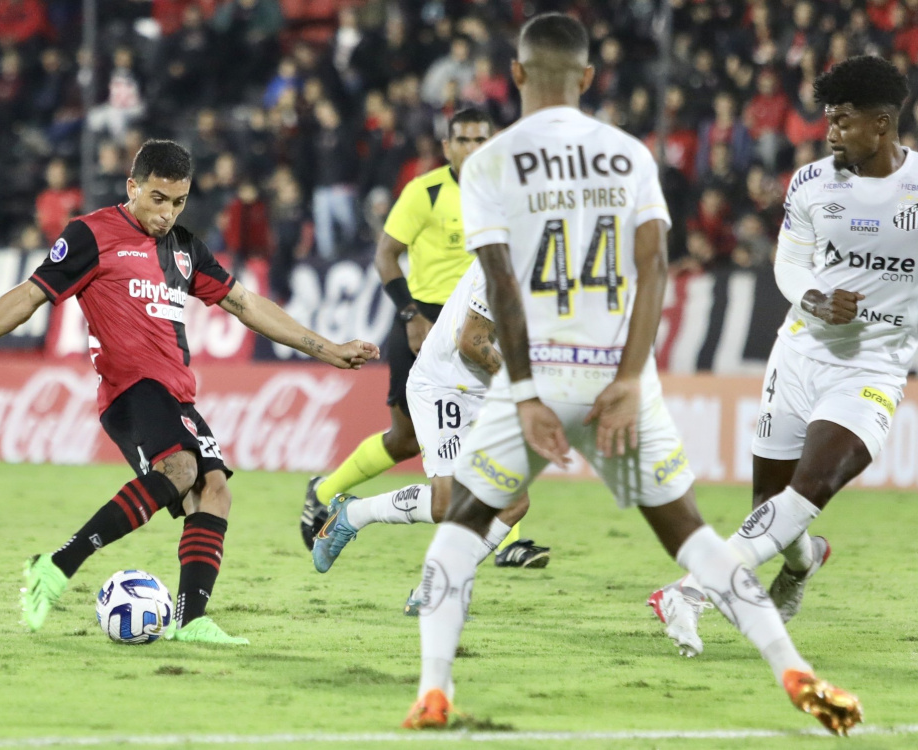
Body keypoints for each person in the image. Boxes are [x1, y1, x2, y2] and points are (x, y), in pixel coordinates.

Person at [401, 14, 861, 736]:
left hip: (542, 373)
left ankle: (433, 692)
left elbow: (501, 291)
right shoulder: (628, 156)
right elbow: (653, 271)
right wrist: (627, 378)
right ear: (588, 78)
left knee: (459, 533)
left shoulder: (490, 165)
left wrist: (526, 394)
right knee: (693, 537)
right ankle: (793, 669)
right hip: (617, 374)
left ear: (517, 75)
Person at [0, 140, 379, 644]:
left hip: (177, 394)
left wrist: (328, 350)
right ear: (132, 187)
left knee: (215, 491)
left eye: (178, 202)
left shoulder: (185, 249)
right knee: (180, 470)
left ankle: (191, 620)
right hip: (130, 389)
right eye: (157, 199)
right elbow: (29, 296)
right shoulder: (91, 234)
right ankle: (56, 565)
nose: (166, 213)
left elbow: (247, 305)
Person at [648, 56, 914, 658]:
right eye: (829, 120)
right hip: (798, 356)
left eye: (843, 121)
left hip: (872, 368)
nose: (831, 132)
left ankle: (691, 592)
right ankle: (803, 562)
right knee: (773, 509)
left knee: (812, 486)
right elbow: (789, 264)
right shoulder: (813, 182)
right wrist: (814, 298)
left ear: (881, 123)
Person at [300, 109, 549, 568]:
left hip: (482, 329)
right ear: (448, 146)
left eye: (481, 140)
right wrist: (411, 315)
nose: (473, 149)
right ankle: (329, 494)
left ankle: (486, 554)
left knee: (506, 488)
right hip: (431, 325)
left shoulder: (504, 203)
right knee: (406, 443)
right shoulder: (427, 192)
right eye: (464, 140)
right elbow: (387, 255)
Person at [310, 259, 547, 608]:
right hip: (444, 385)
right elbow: (472, 341)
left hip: (487, 390)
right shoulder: (502, 260)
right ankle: (354, 514)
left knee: (513, 503)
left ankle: (431, 592)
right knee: (446, 504)